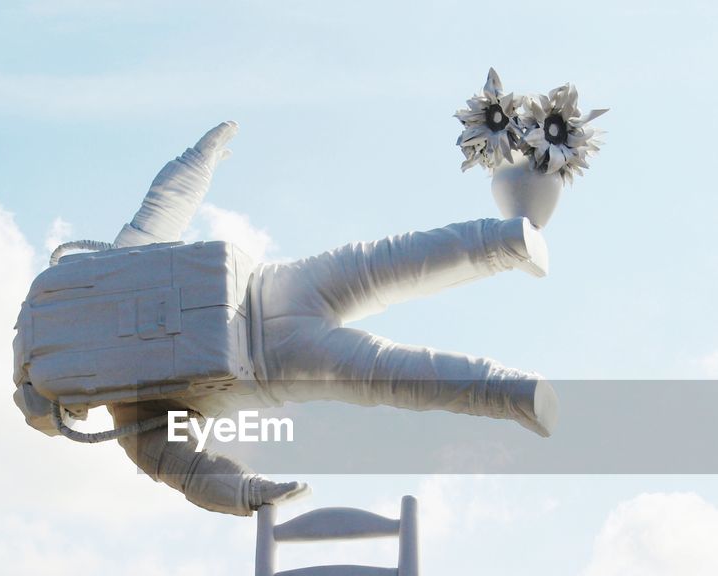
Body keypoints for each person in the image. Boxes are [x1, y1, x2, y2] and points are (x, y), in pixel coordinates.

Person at [79, 121, 557, 516]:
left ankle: (514, 390)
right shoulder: (112, 279)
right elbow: (159, 210)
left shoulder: (132, 411)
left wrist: (251, 494)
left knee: (393, 370)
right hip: (275, 299)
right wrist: (198, 157)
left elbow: (186, 471)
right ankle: (508, 246)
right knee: (390, 267)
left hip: (279, 354)